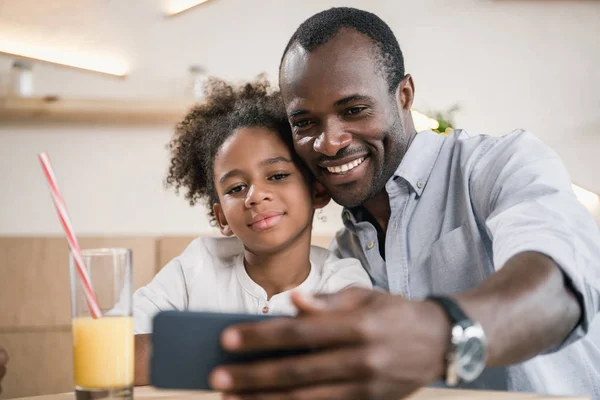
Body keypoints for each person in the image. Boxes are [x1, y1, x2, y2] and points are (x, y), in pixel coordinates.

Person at [206, 7, 600, 400]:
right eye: (305, 123)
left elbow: (558, 289)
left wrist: (438, 333)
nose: (330, 141)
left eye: (354, 110)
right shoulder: (347, 253)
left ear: (405, 95)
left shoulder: (499, 165)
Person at [131, 78, 372, 385]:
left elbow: (348, 363)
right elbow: (116, 352)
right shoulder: (197, 265)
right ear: (221, 217)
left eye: (278, 175)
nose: (255, 196)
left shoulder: (341, 280)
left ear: (318, 190)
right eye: (237, 187)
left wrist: (191, 350)